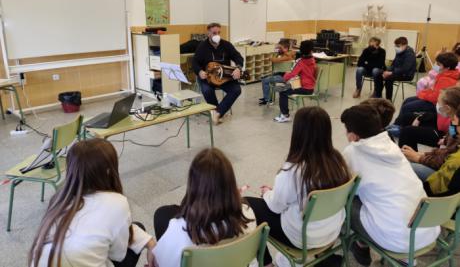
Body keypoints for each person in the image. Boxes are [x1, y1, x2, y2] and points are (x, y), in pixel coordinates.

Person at [246, 107, 351, 267]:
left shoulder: (293, 171)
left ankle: (266, 263)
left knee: (247, 205)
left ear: (298, 133)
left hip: (302, 238)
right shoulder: (338, 161)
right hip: (332, 231)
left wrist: (267, 193)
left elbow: (275, 207)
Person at [29, 139, 155, 267]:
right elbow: (118, 255)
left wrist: (149, 242)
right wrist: (151, 245)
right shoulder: (116, 203)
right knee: (132, 232)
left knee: (132, 229)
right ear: (108, 171)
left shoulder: (59, 199)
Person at [340, 105, 440, 266]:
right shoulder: (391, 146)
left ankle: (360, 246)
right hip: (427, 231)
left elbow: (344, 189)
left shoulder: (352, 152)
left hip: (397, 240)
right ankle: (402, 258)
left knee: (346, 201)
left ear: (353, 135)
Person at [152, 148, 257, 267]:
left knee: (162, 214)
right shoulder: (248, 213)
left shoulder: (180, 229)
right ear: (230, 183)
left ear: (193, 186)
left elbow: (160, 263)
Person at [192, 23, 244, 124]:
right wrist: (199, 71)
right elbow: (195, 62)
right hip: (207, 77)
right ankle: (217, 112)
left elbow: (238, 57)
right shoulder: (202, 46)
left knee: (236, 90)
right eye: (214, 33)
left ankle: (217, 112)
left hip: (224, 76)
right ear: (208, 33)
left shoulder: (226, 45)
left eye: (219, 33)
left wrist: (238, 68)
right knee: (207, 91)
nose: (217, 35)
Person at [394, 52, 459, 123]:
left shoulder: (447, 79)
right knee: (407, 101)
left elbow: (436, 98)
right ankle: (398, 123)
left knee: (407, 107)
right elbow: (432, 90)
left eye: (438, 64)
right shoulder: (444, 74)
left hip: (436, 104)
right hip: (431, 99)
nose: (436, 66)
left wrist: (423, 95)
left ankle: (399, 124)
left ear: (447, 67)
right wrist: (424, 93)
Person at [398, 87, 460, 151]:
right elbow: (451, 135)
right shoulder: (453, 120)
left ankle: (409, 157)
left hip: (443, 141)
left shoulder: (456, 125)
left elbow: (450, 148)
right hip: (445, 138)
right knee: (406, 118)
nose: (437, 105)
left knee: (407, 132)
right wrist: (420, 117)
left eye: (439, 103)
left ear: (447, 108)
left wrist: (419, 157)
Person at [274, 40, 316, 123]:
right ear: (311, 51)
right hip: (311, 87)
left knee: (281, 90)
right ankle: (284, 113)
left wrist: (285, 76)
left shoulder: (300, 61)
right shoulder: (313, 60)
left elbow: (292, 74)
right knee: (284, 87)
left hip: (304, 87)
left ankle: (285, 115)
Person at [423, 107, 460, 196]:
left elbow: (431, 188)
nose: (451, 124)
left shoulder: (456, 160)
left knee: (410, 166)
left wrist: (420, 158)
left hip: (436, 198)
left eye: (453, 121)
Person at [374, 37, 416, 101]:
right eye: (395, 45)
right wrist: (387, 71)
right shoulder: (400, 51)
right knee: (378, 74)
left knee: (388, 78)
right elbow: (394, 64)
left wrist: (391, 73)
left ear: (405, 45)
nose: (396, 47)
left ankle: (388, 100)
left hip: (406, 75)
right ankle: (378, 96)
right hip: (397, 72)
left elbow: (405, 69)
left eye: (398, 46)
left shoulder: (410, 54)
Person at [259, 39, 296, 105]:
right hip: (280, 74)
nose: (279, 49)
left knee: (265, 80)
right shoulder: (284, 54)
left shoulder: (288, 55)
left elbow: (275, 60)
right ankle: (267, 97)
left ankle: (268, 99)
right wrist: (278, 51)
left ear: (286, 48)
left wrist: (272, 57)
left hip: (284, 77)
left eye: (280, 48)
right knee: (264, 77)